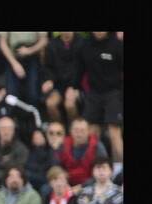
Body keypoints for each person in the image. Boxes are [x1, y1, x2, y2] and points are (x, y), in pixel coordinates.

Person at [76, 32, 123, 173]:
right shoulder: (84, 45)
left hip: (114, 92)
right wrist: (73, 87)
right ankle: (93, 170)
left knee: (114, 131)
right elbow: (79, 69)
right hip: (94, 92)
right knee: (91, 133)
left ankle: (119, 172)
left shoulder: (117, 45)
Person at [41, 32, 85, 126]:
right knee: (50, 104)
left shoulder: (82, 43)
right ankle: (59, 129)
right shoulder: (52, 45)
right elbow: (48, 67)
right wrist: (49, 80)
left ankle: (74, 130)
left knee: (69, 105)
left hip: (77, 85)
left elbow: (81, 68)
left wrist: (73, 87)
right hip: (58, 85)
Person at [58, 117, 109, 193]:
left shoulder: (97, 147)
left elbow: (103, 171)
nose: (79, 134)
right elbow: (56, 168)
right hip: (66, 184)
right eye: (76, 130)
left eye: (82, 131)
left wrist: (82, 187)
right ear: (71, 131)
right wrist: (64, 184)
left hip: (90, 185)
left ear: (88, 131)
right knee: (46, 190)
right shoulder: (63, 146)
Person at [0, 32, 48, 106]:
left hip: (32, 57)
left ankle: (31, 115)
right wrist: (14, 64)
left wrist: (30, 50)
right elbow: (2, 43)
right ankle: (12, 116)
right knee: (11, 95)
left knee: (32, 94)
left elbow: (43, 40)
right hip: (12, 58)